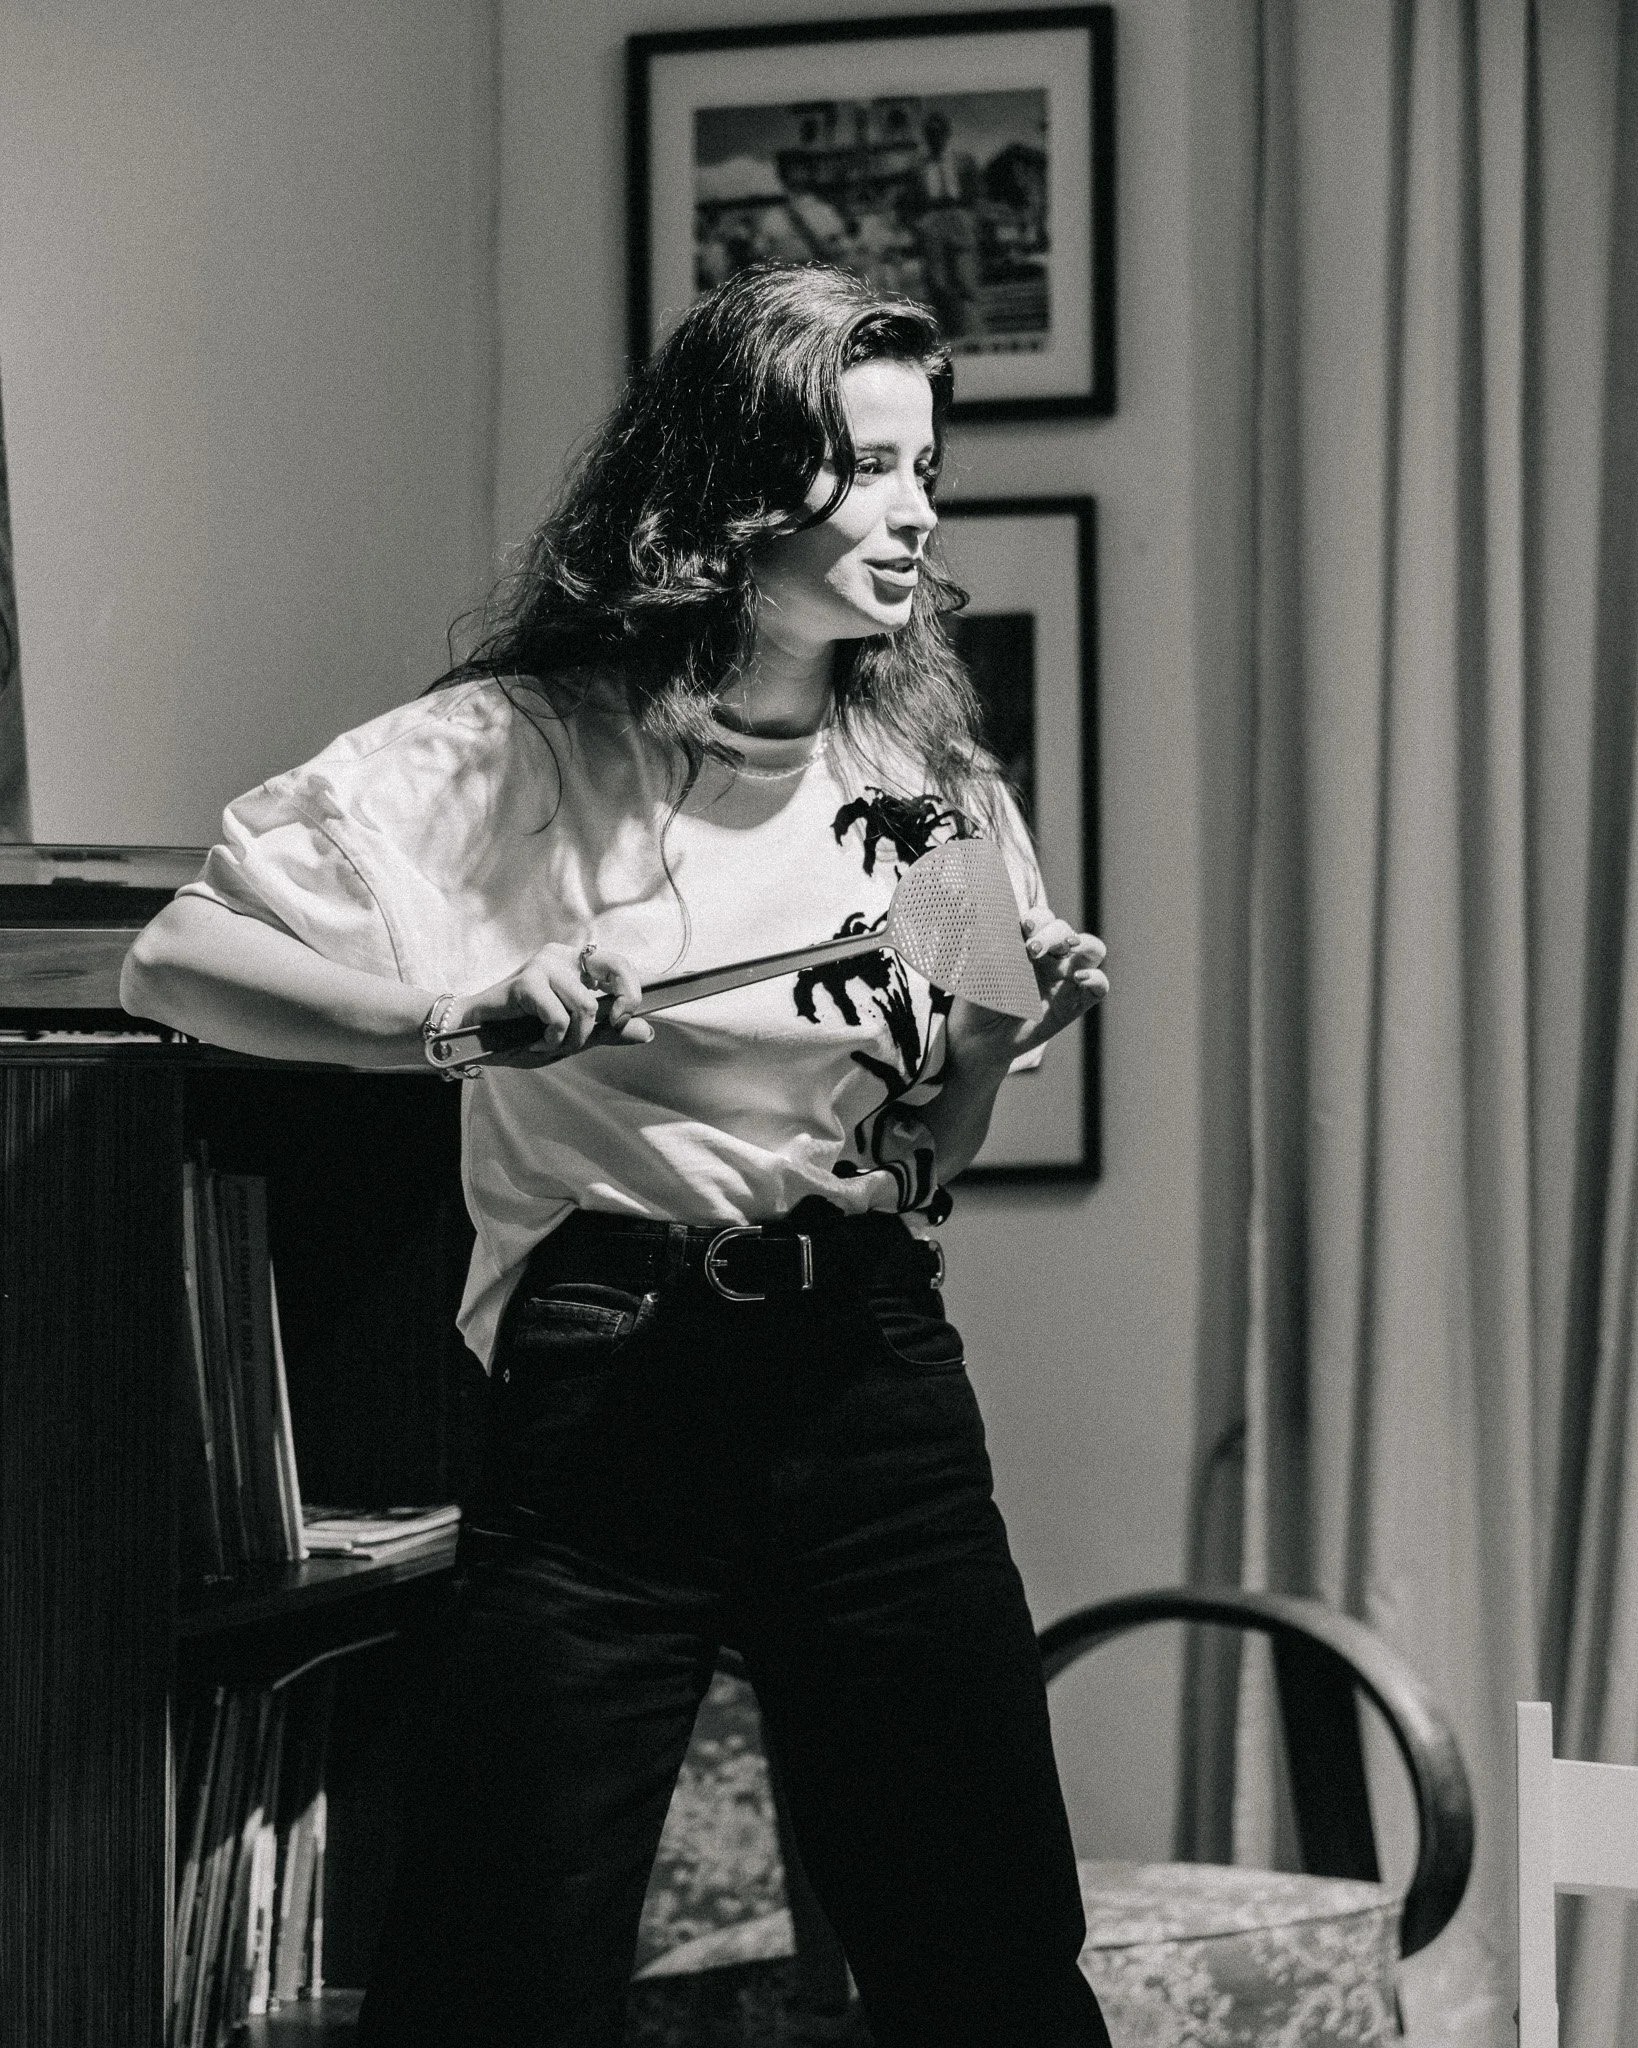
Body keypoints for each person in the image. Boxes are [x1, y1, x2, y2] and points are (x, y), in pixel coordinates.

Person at [122, 263, 1111, 2048]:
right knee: (498, 1974)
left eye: (926, 469)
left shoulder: (927, 778)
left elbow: (924, 1149)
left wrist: (984, 1042)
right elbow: (173, 962)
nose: (914, 512)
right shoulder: (517, 748)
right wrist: (454, 1018)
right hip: (610, 1389)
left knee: (988, 1958)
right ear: (733, 489)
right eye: (868, 467)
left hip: (873, 1375)